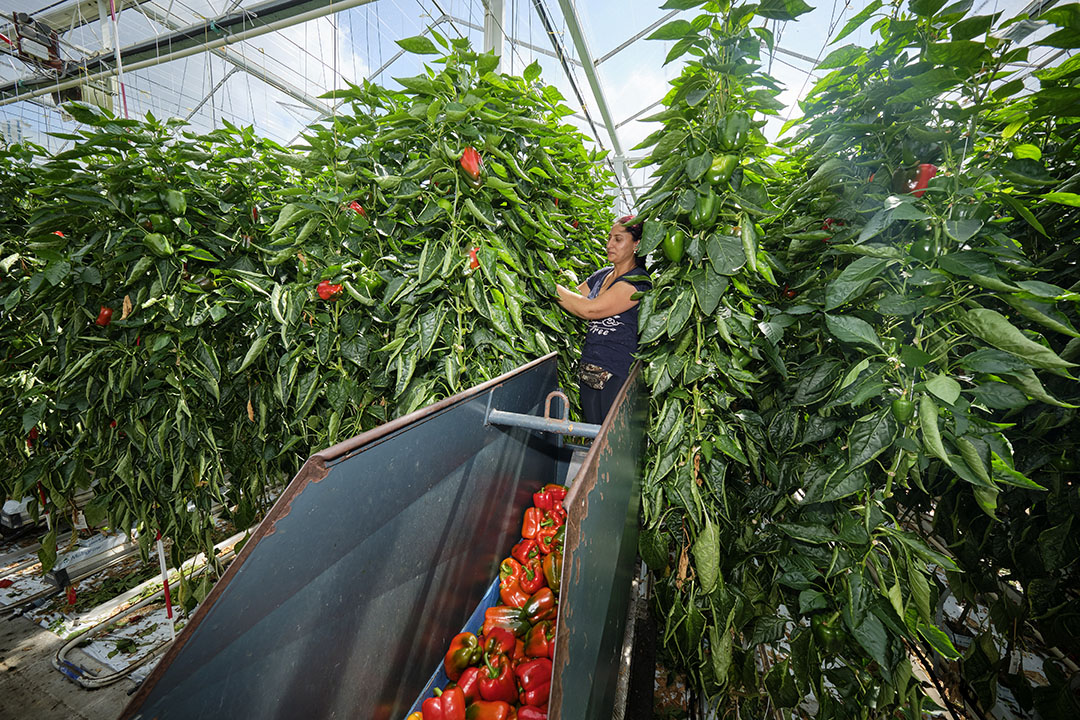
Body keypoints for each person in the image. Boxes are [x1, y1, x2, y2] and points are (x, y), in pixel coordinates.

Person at [557, 216, 651, 425]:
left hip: (617, 373)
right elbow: (573, 297)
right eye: (609, 238)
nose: (609, 244)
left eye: (618, 239)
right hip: (590, 369)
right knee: (593, 434)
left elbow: (589, 309)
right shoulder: (603, 275)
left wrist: (549, 286)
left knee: (609, 439)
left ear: (636, 244)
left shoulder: (637, 283)